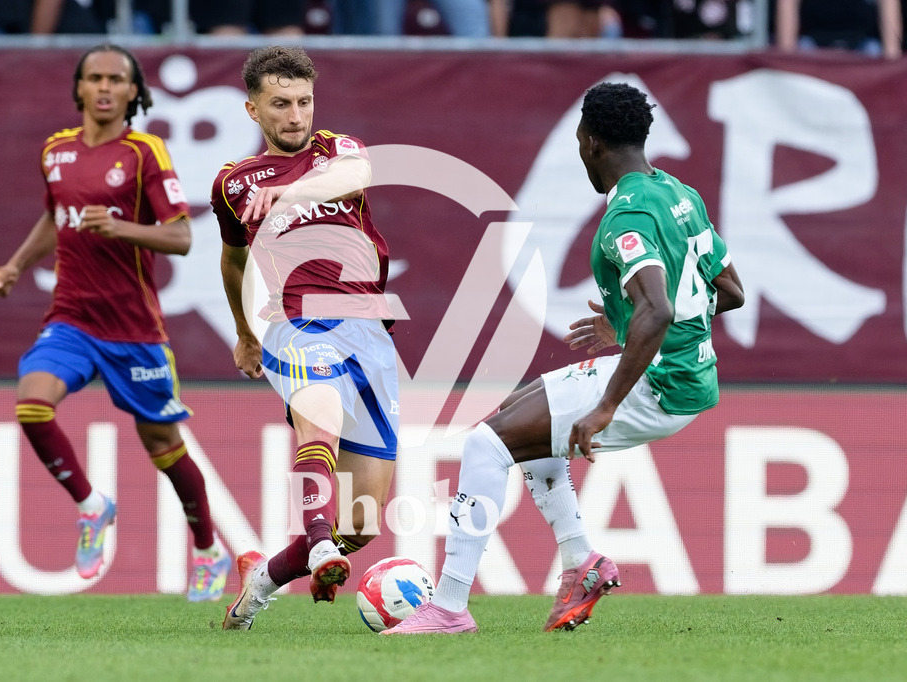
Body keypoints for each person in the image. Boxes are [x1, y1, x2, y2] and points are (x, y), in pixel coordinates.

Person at [385, 81, 745, 634]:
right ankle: (581, 562)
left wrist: (605, 405)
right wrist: (624, 320)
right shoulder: (679, 194)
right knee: (513, 416)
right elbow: (729, 290)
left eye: (580, 134)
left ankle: (449, 608)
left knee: (485, 442)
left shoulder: (628, 216)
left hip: (660, 382)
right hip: (686, 374)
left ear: (591, 141)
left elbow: (658, 310)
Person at [0, 43, 231, 602]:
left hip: (133, 330)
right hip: (71, 318)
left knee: (165, 447)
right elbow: (56, 216)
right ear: (77, 88)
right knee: (31, 403)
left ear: (132, 92)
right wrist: (15, 265)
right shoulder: (55, 151)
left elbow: (181, 236)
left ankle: (207, 547)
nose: (103, 87)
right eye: (93, 78)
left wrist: (120, 228)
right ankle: (92, 506)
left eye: (115, 80)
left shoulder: (145, 152)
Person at [211, 46, 400, 630]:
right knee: (318, 412)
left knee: (363, 524)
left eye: (304, 101)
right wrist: (244, 333)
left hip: (370, 326)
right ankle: (318, 547)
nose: (296, 116)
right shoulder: (233, 183)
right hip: (296, 321)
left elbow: (359, 174)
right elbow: (233, 261)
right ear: (252, 111)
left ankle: (263, 577)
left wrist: (290, 196)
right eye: (281, 104)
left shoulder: (336, 150)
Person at [776, 0, 902, 59]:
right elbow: (788, 4)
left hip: (864, 44)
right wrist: (786, 59)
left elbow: (889, 4)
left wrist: (891, 60)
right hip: (812, 43)